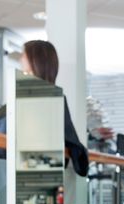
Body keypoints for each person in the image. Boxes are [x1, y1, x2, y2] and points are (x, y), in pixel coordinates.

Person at [20, 40, 88, 176]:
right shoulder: (27, 95)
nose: (20, 58)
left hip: (34, 170)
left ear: (34, 61)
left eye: (23, 55)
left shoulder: (53, 99)